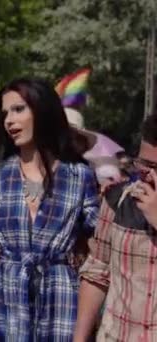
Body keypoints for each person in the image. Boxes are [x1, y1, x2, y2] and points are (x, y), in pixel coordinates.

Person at [0, 78, 100, 341]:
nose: (9, 120)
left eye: (18, 110)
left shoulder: (80, 177)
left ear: (42, 111)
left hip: (60, 302)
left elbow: (96, 256)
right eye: (5, 113)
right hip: (2, 304)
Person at [74, 114, 157, 341]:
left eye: (155, 166)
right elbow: (96, 274)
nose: (146, 174)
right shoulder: (117, 200)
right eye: (142, 164)